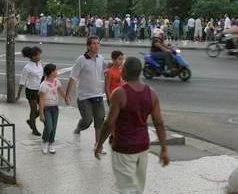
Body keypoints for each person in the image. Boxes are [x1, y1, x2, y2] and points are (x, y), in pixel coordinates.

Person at [94, 56, 169, 194]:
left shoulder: (119, 93)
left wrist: (99, 144)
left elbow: (109, 123)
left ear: (126, 71)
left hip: (123, 148)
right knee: (138, 189)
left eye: (123, 67)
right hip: (143, 146)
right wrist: (164, 149)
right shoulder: (151, 94)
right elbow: (159, 123)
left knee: (126, 189)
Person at [65, 35, 107, 153]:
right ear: (88, 46)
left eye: (98, 43)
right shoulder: (81, 60)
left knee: (100, 120)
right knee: (87, 120)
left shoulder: (101, 59)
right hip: (84, 97)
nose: (96, 45)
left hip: (97, 95)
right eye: (93, 43)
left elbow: (108, 70)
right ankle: (78, 129)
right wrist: (67, 95)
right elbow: (72, 78)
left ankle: (98, 145)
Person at [39, 63, 67, 154]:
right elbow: (41, 100)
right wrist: (41, 114)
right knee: (49, 127)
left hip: (55, 108)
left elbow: (61, 91)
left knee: (54, 127)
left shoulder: (57, 81)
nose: (56, 72)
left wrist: (66, 98)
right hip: (46, 108)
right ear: (51, 72)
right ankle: (44, 142)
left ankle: (51, 144)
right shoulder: (43, 85)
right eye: (55, 70)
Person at [16, 46, 43, 136]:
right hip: (31, 91)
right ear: (33, 56)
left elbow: (41, 76)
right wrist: (18, 94)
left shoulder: (39, 63)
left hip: (39, 90)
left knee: (44, 107)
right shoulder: (27, 68)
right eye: (38, 55)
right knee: (34, 109)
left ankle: (30, 121)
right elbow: (22, 81)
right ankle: (34, 129)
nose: (40, 56)